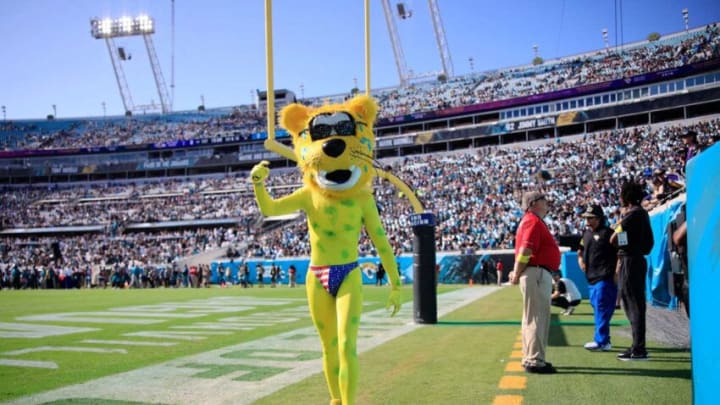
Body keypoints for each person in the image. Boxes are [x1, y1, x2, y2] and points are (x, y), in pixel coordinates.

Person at [511, 191, 560, 374]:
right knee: (537, 317)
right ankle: (534, 360)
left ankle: (530, 357)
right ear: (533, 203)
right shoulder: (532, 220)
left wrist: (517, 271)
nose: (547, 203)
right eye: (543, 200)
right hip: (537, 272)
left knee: (532, 317)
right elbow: (526, 249)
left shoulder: (529, 220)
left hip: (535, 272)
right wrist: (516, 272)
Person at [611, 181, 654, 361]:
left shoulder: (632, 214)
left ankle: (638, 349)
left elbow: (614, 238)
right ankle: (637, 346)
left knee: (633, 306)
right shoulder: (642, 214)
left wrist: (620, 220)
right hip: (637, 260)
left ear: (626, 196)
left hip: (630, 261)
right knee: (635, 305)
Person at [577, 204, 618, 351]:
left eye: (591, 218)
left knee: (601, 308)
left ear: (599, 218)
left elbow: (620, 253)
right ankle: (605, 339)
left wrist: (616, 273)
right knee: (599, 308)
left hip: (605, 277)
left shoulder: (609, 234)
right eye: (586, 218)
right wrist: (581, 261)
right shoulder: (586, 235)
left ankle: (601, 341)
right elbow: (579, 251)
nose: (587, 221)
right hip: (591, 278)